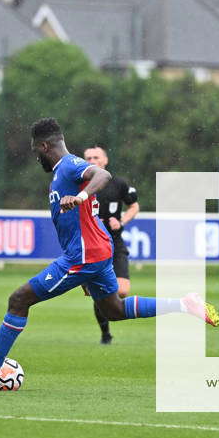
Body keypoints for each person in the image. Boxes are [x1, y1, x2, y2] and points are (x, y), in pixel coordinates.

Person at [0, 118, 219, 388]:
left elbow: (103, 176)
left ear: (45, 146)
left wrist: (80, 198)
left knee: (19, 299)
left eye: (36, 152)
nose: (37, 158)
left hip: (84, 256)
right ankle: (185, 304)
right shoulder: (62, 172)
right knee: (114, 310)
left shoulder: (69, 165)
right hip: (95, 252)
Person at [83, 146, 139, 345]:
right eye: (88, 157)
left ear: (105, 160)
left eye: (96, 157)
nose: (91, 160)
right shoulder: (79, 185)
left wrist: (122, 221)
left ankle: (107, 306)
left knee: (122, 291)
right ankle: (105, 333)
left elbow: (134, 205)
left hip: (114, 242)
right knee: (97, 293)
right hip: (92, 245)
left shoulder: (118, 184)